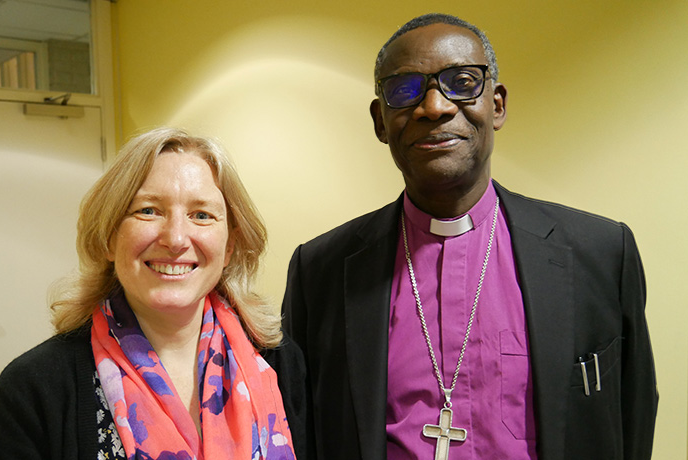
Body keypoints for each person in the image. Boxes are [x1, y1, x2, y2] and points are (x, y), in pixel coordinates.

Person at [282, 13, 658, 460]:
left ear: (496, 106)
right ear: (381, 121)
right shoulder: (319, 271)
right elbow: (301, 434)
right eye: (404, 90)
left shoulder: (600, 252)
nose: (434, 107)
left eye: (462, 83)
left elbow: (633, 418)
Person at [0, 127, 307, 460]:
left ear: (229, 247)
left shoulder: (280, 364)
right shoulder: (33, 388)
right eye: (149, 210)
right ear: (109, 237)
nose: (176, 239)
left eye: (201, 215)